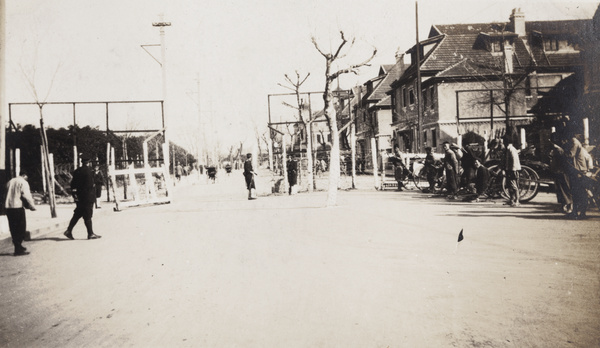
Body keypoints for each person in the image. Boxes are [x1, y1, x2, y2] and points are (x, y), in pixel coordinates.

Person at [64, 157, 102, 240]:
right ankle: (90, 234)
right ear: (88, 162)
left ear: (82, 162)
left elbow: (73, 184)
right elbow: (92, 184)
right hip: (88, 196)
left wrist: (75, 195)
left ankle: (68, 231)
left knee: (78, 214)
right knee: (88, 214)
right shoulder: (90, 172)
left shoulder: (77, 171)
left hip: (80, 197)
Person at [4, 171, 36, 256]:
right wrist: (32, 206)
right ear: (24, 175)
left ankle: (18, 246)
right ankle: (18, 250)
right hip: (17, 207)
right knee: (21, 228)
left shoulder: (10, 181)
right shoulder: (23, 182)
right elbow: (26, 195)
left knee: (13, 228)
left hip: (9, 207)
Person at [564, 136, 593, 219]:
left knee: (580, 194)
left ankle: (580, 213)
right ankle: (577, 212)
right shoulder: (576, 144)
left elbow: (570, 154)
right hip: (579, 171)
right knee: (578, 193)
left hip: (579, 172)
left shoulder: (574, 142)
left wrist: (561, 151)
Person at [549, 134, 572, 214]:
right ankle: (563, 206)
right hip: (558, 171)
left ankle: (568, 206)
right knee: (560, 190)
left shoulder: (558, 150)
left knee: (564, 189)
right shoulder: (557, 149)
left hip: (561, 172)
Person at [502, 136, 521, 207]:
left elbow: (514, 160)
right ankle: (511, 200)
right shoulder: (508, 149)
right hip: (509, 169)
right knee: (509, 185)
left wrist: (513, 169)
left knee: (514, 185)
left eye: (503, 141)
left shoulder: (511, 149)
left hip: (512, 170)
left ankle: (517, 200)